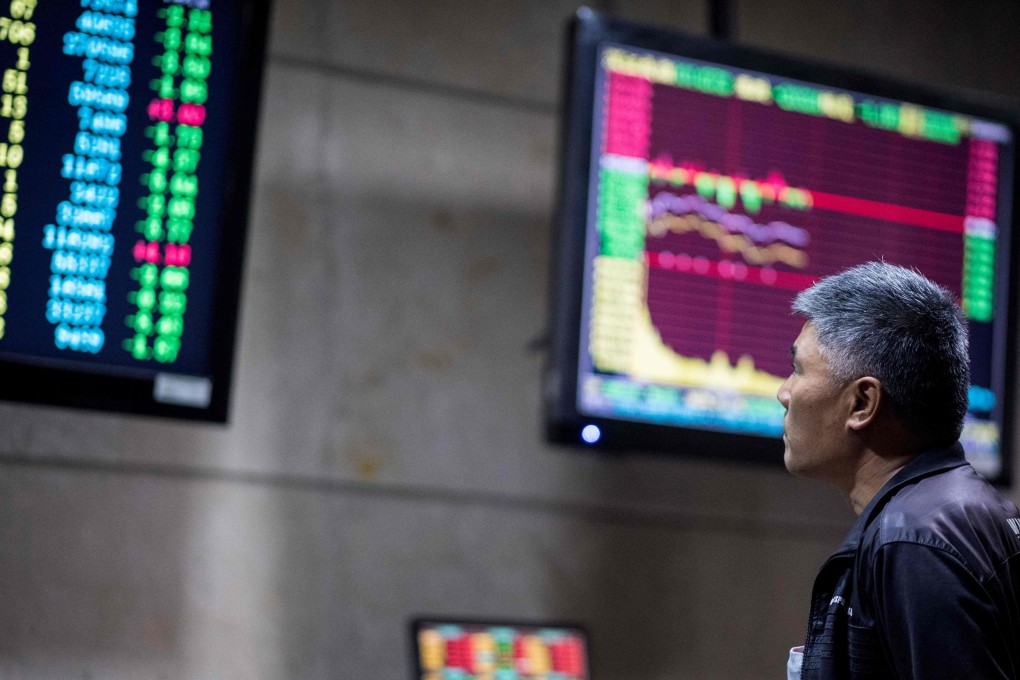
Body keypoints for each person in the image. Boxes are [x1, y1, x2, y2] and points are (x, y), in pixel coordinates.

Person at [777, 261, 1020, 679]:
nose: (784, 392)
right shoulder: (958, 510)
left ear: (862, 404)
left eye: (798, 369)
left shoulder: (913, 542)